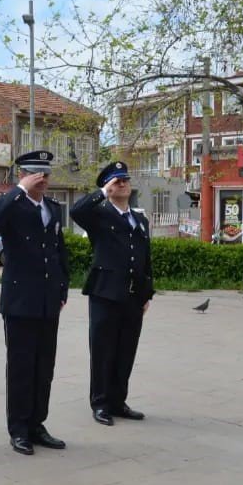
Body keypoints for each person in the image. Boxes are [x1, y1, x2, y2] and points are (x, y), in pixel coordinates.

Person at [0, 150, 69, 456]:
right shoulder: (13, 206)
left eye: (46, 173)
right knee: (21, 366)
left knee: (44, 366)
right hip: (20, 300)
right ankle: (19, 428)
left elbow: (58, 249)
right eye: (37, 173)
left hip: (48, 299)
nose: (43, 179)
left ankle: (37, 423)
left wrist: (62, 287)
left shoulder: (52, 207)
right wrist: (18, 190)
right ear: (23, 174)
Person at [69, 161, 154, 426]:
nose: (123, 184)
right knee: (104, 349)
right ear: (107, 185)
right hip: (105, 293)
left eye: (125, 179)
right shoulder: (99, 215)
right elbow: (76, 211)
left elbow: (145, 257)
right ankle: (101, 403)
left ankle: (119, 401)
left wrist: (147, 292)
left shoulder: (139, 219)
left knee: (126, 349)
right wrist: (103, 192)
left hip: (133, 295)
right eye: (117, 181)